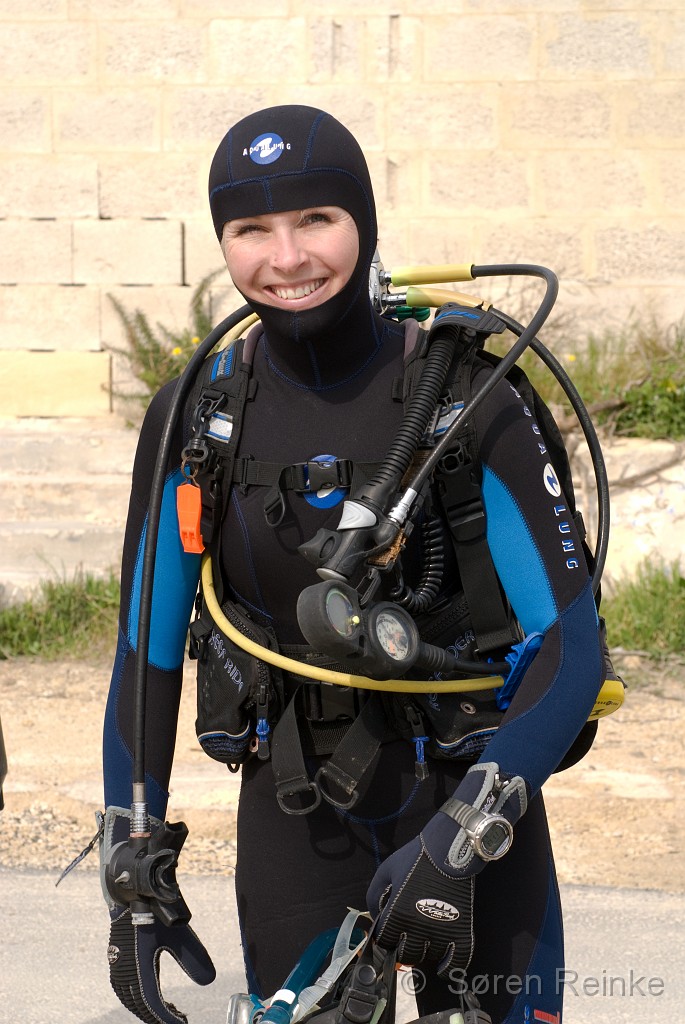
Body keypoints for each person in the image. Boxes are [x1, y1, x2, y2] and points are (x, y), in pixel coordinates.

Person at [101, 105, 605, 1024]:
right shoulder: (196, 414)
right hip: (296, 813)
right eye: (251, 230)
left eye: (315, 220)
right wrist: (129, 852)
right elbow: (147, 652)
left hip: (473, 800)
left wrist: (459, 843)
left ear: (363, 223)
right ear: (223, 243)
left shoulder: (470, 392)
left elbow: (571, 645)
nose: (286, 257)